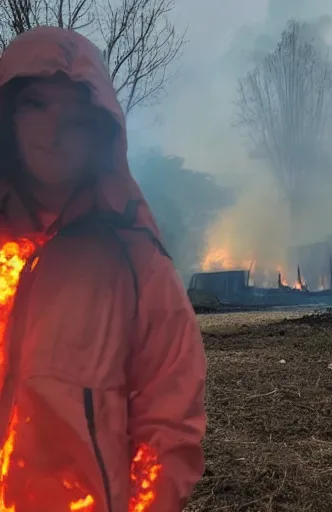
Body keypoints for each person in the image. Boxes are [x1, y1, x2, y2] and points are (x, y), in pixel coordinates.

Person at [0, 26, 207, 512]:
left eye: (75, 117)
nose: (54, 132)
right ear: (8, 114)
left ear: (101, 129)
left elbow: (169, 427)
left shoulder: (138, 267)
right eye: (36, 105)